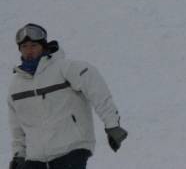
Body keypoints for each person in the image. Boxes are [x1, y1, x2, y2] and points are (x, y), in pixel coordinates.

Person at [7, 24, 128, 169]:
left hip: (70, 150)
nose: (29, 51)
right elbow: (17, 127)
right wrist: (19, 155)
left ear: (43, 46)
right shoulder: (16, 86)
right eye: (24, 46)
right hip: (35, 158)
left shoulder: (64, 68)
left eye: (33, 45)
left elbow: (96, 88)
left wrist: (112, 125)